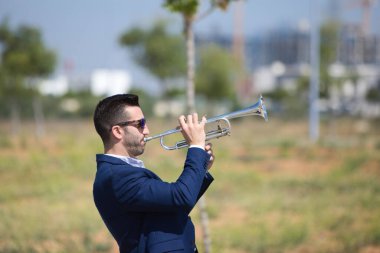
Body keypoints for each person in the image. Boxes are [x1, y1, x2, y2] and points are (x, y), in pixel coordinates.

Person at [93, 94, 215, 253]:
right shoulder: (116, 176)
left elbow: (174, 206)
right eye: (140, 124)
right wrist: (196, 147)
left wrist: (201, 167)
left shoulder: (121, 172)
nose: (147, 130)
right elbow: (180, 197)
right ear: (117, 131)